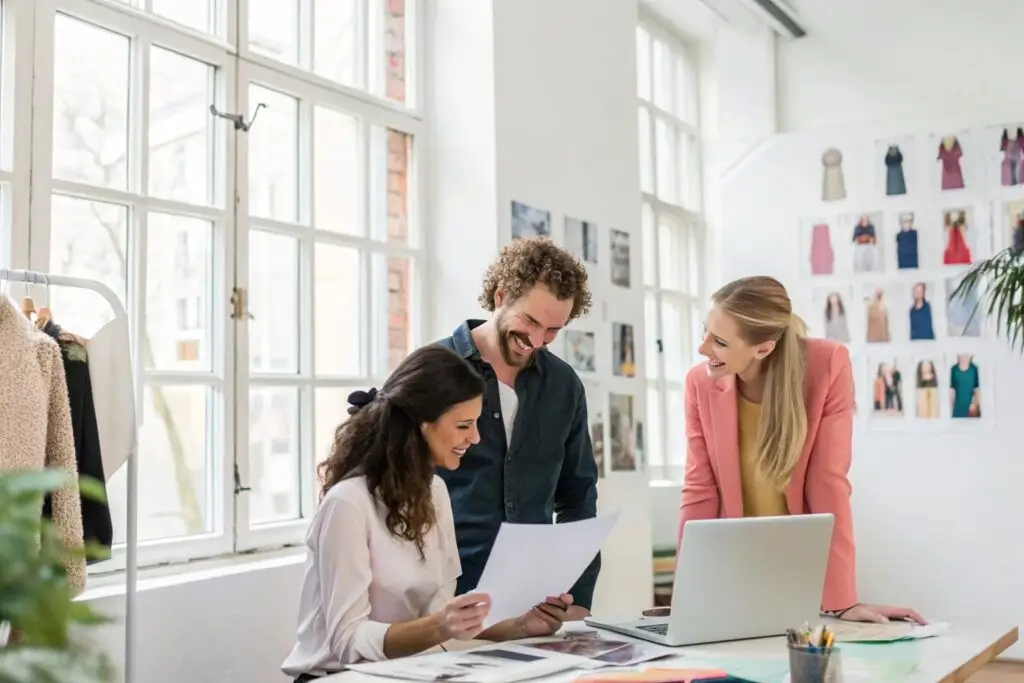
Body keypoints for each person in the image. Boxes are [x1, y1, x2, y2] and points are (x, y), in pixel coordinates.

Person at [281, 346, 573, 681]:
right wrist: (440, 626)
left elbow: (439, 612)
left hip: (405, 673)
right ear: (421, 426)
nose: (475, 437)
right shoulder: (348, 504)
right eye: (464, 425)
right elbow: (349, 642)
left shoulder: (434, 492)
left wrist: (521, 625)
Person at [678, 276, 925, 625]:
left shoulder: (827, 365)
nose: (703, 348)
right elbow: (699, 488)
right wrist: (686, 595)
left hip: (799, 568)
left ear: (763, 349)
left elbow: (828, 482)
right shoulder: (698, 383)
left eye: (719, 341)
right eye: (706, 331)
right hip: (733, 569)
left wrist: (842, 601)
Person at [436, 237, 600, 620]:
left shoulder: (564, 386)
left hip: (533, 603)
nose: (537, 341)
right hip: (444, 599)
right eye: (530, 321)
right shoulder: (433, 371)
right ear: (501, 296)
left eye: (553, 330)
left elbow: (577, 496)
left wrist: (578, 596)